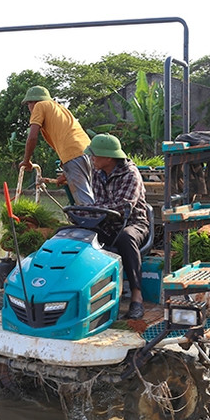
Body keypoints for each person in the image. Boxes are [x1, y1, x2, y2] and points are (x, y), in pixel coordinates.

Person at [85, 134, 151, 320]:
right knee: (76, 235)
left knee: (125, 238)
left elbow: (123, 207)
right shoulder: (97, 173)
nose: (92, 159)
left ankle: (137, 297)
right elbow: (98, 204)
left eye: (95, 155)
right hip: (107, 223)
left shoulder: (131, 174)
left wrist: (94, 210)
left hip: (133, 223)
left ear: (109, 157)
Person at [19, 85, 94, 205]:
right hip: (91, 152)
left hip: (73, 154)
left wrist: (26, 161)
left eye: (28, 104)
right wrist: (66, 173)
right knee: (92, 193)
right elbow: (68, 137)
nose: (29, 107)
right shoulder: (60, 108)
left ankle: (91, 222)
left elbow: (32, 137)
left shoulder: (39, 106)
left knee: (85, 202)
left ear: (34, 102)